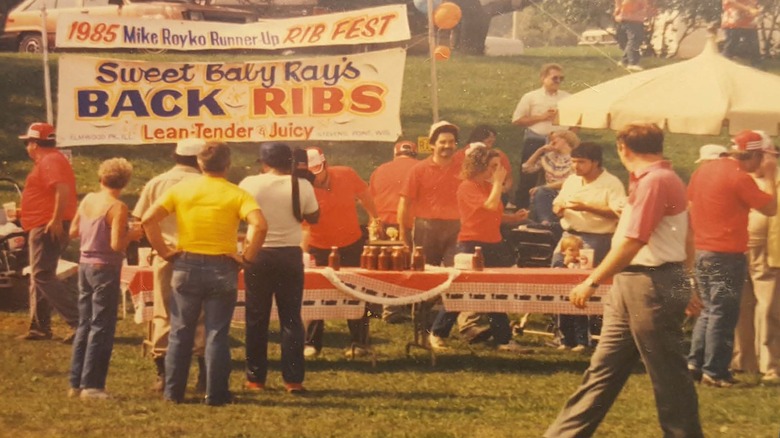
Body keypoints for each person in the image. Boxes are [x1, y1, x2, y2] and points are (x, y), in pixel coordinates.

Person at [545, 123, 703, 437]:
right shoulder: (654, 180)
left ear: (623, 149)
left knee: (667, 375)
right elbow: (688, 236)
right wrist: (686, 281)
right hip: (635, 283)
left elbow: (634, 241)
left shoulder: (656, 181)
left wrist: (592, 281)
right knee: (602, 371)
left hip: (651, 283)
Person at [142, 142, 267, 406]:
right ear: (228, 165)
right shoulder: (237, 193)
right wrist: (247, 258)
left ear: (200, 163)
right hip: (222, 265)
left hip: (186, 263)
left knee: (180, 331)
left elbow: (147, 220)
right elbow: (260, 225)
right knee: (216, 333)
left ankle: (173, 392)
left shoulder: (182, 189)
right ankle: (216, 393)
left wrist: (164, 251)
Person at [688, 129, 777, 387]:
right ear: (755, 155)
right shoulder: (740, 178)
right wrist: (770, 177)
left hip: (702, 249)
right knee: (723, 314)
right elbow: (770, 208)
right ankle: (715, 372)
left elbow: (691, 202)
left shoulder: (704, 170)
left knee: (708, 310)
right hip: (726, 253)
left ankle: (695, 362)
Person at [398, 121, 491, 348]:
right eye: (442, 142)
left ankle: (468, 325)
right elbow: (405, 204)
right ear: (432, 145)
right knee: (426, 280)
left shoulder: (463, 166)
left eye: (451, 142)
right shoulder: (418, 170)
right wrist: (404, 235)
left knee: (459, 277)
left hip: (456, 228)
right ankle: (423, 327)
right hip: (426, 227)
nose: (447, 146)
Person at [429, 145, 531, 353]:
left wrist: (512, 218)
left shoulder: (487, 186)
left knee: (495, 293)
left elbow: (491, 213)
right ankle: (437, 333)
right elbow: (490, 206)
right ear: (480, 166)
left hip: (492, 243)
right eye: (493, 166)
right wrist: (498, 184)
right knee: (461, 292)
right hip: (470, 244)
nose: (497, 170)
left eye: (498, 166)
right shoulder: (468, 186)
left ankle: (503, 339)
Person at [240, 143, 319, 394]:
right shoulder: (302, 184)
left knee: (256, 317)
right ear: (291, 162)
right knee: (291, 318)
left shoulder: (249, 183)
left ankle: (255, 378)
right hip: (289, 254)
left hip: (258, 253)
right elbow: (314, 216)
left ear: (264, 163)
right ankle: (293, 379)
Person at [132, 138, 208, 393]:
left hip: (166, 254)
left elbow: (142, 219)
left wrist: (162, 249)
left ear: (175, 156)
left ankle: (164, 374)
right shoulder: (207, 183)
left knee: (164, 313)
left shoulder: (157, 182)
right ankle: (204, 376)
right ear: (199, 159)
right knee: (201, 315)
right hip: (201, 253)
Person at [68, 158, 143, 399]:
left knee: (85, 323)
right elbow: (115, 244)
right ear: (125, 182)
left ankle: (76, 383)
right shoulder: (117, 207)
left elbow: (73, 231)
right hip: (105, 268)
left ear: (101, 178)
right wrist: (132, 234)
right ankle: (93, 386)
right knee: (102, 326)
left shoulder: (89, 199)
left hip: (85, 265)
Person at [302, 146, 378, 358]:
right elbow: (303, 225)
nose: (313, 176)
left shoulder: (346, 173)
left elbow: (365, 195)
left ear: (325, 164)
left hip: (351, 242)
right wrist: (303, 252)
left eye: (316, 170)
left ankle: (360, 341)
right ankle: (312, 343)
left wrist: (374, 217)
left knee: (356, 291)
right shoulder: (301, 187)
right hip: (319, 245)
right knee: (315, 293)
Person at [551, 142, 626, 352]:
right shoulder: (573, 180)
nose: (576, 166)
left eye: (581, 162)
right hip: (568, 236)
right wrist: (557, 207)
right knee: (558, 282)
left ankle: (587, 338)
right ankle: (564, 337)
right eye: (573, 162)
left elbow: (618, 213)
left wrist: (586, 207)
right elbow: (559, 201)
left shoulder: (612, 183)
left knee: (586, 286)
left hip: (596, 238)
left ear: (595, 162)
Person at [17, 122, 79, 342]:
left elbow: (61, 189)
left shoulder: (50, 160)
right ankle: (40, 327)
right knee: (40, 274)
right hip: (44, 222)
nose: (27, 147)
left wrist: (55, 219)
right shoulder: (51, 159)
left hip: (47, 224)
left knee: (42, 275)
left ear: (34, 143)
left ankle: (79, 322)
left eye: (28, 143)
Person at [731, 141, 780, 384]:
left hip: (770, 251)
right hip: (739, 247)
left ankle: (770, 364)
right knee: (741, 304)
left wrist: (771, 176)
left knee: (768, 307)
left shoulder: (776, 180)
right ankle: (743, 360)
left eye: (757, 156)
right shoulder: (742, 178)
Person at [369, 139, 419, 324]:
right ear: (415, 153)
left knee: (387, 267)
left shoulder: (380, 169)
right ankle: (407, 308)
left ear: (395, 154)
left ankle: (384, 307)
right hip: (409, 222)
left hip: (383, 221)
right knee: (411, 266)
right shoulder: (420, 167)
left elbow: (371, 196)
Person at [511, 63, 570, 210]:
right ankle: (522, 211)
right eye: (554, 78)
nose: (558, 81)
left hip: (559, 142)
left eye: (561, 78)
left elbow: (577, 121)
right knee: (528, 177)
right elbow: (517, 119)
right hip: (535, 138)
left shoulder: (567, 97)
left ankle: (551, 210)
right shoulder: (531, 97)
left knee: (558, 177)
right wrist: (542, 117)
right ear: (543, 78)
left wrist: (570, 136)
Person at [521, 130, 580, 230]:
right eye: (550, 139)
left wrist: (545, 187)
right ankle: (546, 223)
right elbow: (526, 169)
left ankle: (545, 224)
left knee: (541, 191)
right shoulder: (549, 157)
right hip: (549, 193)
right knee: (541, 193)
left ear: (566, 140)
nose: (551, 141)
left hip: (568, 194)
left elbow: (571, 182)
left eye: (555, 139)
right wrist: (540, 150)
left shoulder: (576, 159)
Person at [454, 125, 513, 205]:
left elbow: (508, 178)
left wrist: (503, 189)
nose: (492, 139)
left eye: (493, 137)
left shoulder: (499, 155)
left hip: (494, 190)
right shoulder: (459, 155)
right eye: (488, 137)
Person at [614, 0, 655, 72]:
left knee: (635, 39)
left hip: (632, 17)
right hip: (631, 18)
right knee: (634, 39)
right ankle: (632, 63)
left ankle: (624, 61)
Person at [721, 0, 761, 66]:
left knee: (755, 51)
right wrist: (748, 9)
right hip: (734, 22)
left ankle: (757, 70)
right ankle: (723, 70)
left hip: (749, 23)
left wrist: (757, 10)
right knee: (730, 48)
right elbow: (730, 2)